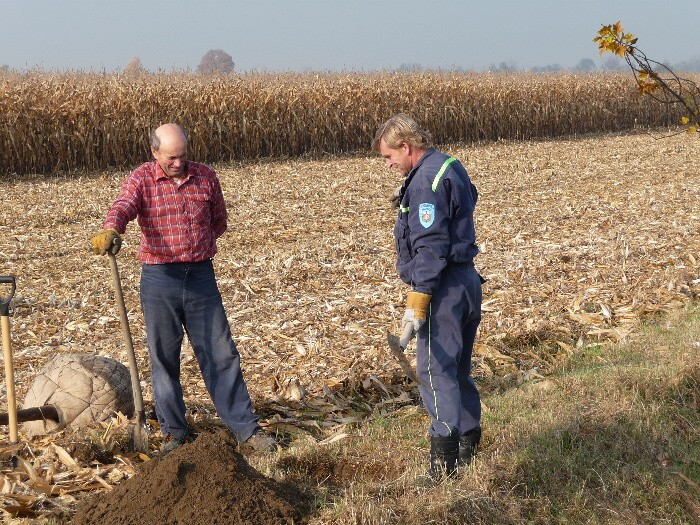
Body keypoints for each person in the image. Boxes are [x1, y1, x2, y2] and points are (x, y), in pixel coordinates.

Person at [90, 123, 275, 454]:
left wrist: (194, 248)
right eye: (171, 157)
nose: (179, 163)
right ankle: (175, 432)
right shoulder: (142, 179)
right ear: (155, 152)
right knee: (164, 358)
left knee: (221, 353)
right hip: (160, 279)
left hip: (201, 275)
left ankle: (246, 429)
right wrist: (111, 230)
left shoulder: (205, 176)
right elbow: (122, 207)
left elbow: (219, 222)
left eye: (183, 155)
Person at [373, 114, 483, 479]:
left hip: (444, 289)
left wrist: (419, 299)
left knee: (435, 372)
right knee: (459, 370)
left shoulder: (424, 186)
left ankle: (444, 466)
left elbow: (431, 247)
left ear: (406, 146)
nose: (388, 164)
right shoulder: (449, 165)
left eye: (389, 156)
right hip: (467, 281)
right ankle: (469, 445)